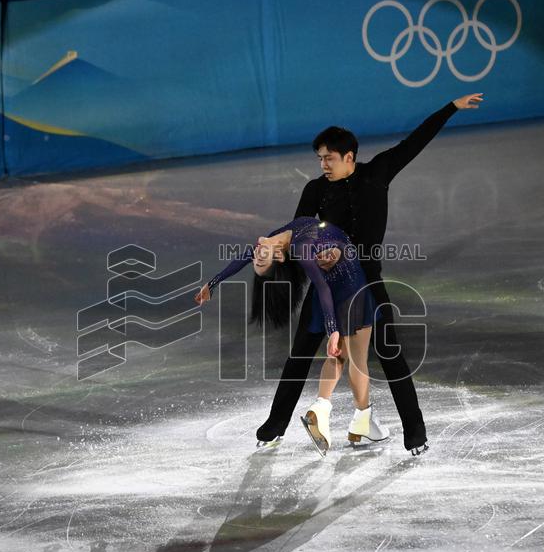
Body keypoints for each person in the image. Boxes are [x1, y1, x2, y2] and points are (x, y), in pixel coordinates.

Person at [254, 94, 485, 457]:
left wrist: (450, 107)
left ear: (350, 157)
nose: (323, 165)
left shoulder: (378, 171)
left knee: (390, 353)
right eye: (319, 158)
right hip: (329, 283)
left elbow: (415, 142)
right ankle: (274, 427)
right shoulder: (315, 190)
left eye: (329, 158)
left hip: (369, 280)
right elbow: (301, 231)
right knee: (300, 354)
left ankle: (414, 432)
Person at [194, 216, 388, 456]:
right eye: (261, 258)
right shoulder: (300, 248)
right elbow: (323, 287)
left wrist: (212, 284)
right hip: (350, 288)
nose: (257, 253)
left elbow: (243, 257)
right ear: (278, 257)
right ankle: (361, 419)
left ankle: (327, 409)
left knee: (341, 358)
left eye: (258, 256)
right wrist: (333, 329)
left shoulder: (279, 236)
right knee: (358, 360)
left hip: (338, 288)